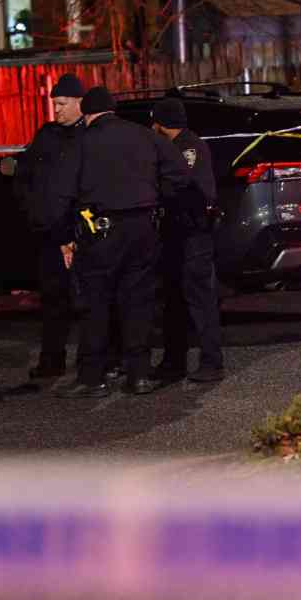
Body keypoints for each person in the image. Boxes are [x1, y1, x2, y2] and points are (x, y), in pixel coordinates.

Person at [45, 87, 191, 397]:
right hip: (142, 227)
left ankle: (92, 377)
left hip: (99, 228)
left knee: (95, 304)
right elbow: (180, 174)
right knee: (138, 302)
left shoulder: (80, 142)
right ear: (113, 109)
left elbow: (60, 195)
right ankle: (138, 375)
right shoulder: (145, 137)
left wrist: (64, 237)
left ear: (87, 112)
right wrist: (154, 198)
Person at [14, 73, 87, 378]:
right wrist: (35, 214)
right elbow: (25, 178)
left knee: (90, 302)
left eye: (61, 104)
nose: (56, 110)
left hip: (83, 235)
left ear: (79, 102)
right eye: (54, 104)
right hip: (49, 233)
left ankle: (94, 362)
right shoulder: (47, 135)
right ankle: (52, 360)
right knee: (53, 300)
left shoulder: (90, 136)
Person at [150, 98, 225, 383]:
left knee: (199, 300)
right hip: (178, 235)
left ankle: (211, 362)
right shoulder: (186, 144)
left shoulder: (186, 148)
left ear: (159, 123)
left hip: (192, 235)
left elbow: (183, 191)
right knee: (174, 300)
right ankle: (174, 361)